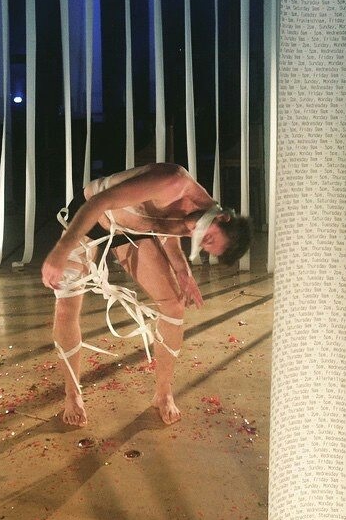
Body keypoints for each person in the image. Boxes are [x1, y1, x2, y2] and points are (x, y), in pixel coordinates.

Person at [41, 163, 251, 427]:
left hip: (130, 231)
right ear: (222, 218)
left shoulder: (196, 217)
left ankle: (163, 393)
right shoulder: (174, 182)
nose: (199, 241)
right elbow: (98, 203)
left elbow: (165, 229)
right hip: (91, 216)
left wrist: (182, 270)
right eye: (208, 239)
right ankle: (72, 394)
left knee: (174, 306)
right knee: (66, 306)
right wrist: (60, 251)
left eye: (205, 247)